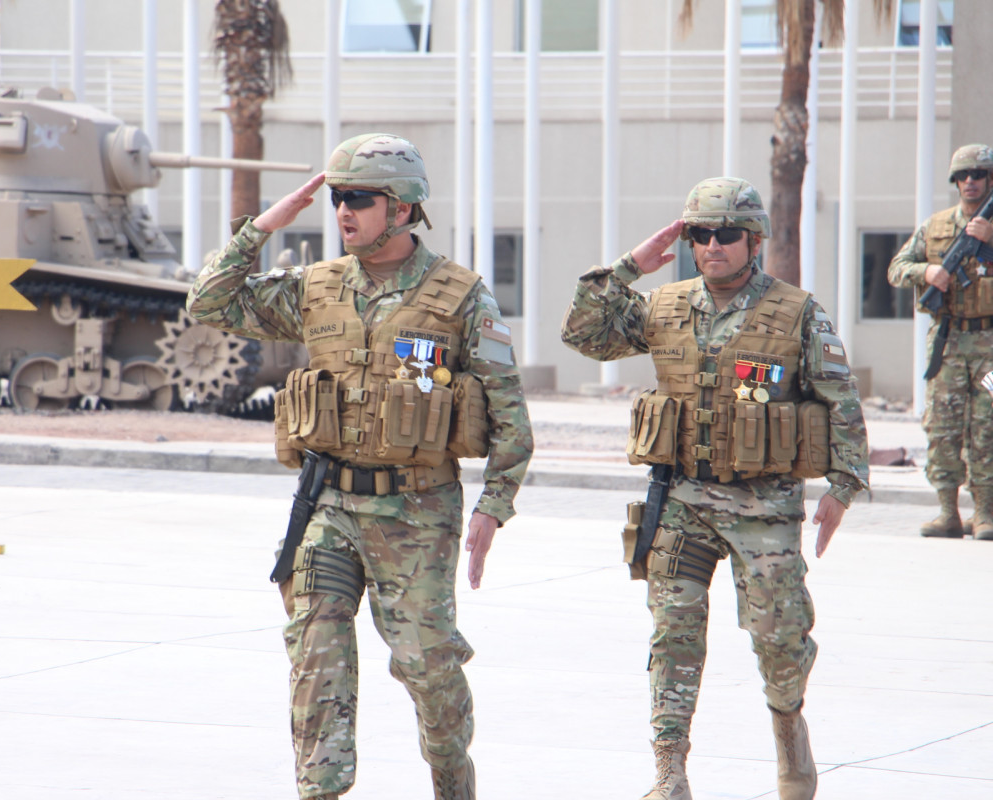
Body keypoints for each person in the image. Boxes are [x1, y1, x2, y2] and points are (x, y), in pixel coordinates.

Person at [186, 133, 533, 800]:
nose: (342, 212)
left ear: (401, 210)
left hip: (417, 512)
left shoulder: (460, 298)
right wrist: (260, 229)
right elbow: (208, 303)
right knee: (315, 658)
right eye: (338, 198)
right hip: (330, 509)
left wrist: (495, 506)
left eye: (358, 199)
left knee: (427, 670)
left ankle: (453, 781)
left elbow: (510, 412)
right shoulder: (315, 289)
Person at [560, 178, 869, 800]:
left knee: (778, 638)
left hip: (765, 504)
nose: (713, 245)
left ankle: (788, 731)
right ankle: (669, 771)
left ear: (753, 241)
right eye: (700, 234)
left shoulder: (796, 311)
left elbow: (840, 397)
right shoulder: (664, 304)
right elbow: (585, 335)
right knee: (673, 633)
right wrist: (625, 269)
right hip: (682, 500)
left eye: (726, 233)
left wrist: (844, 484)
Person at [888, 143, 993, 540]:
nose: (970, 182)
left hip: (990, 347)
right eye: (963, 176)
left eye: (978, 174)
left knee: (987, 427)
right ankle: (948, 512)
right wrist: (928, 271)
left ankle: (985, 513)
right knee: (943, 427)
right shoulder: (935, 227)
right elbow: (897, 268)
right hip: (948, 344)